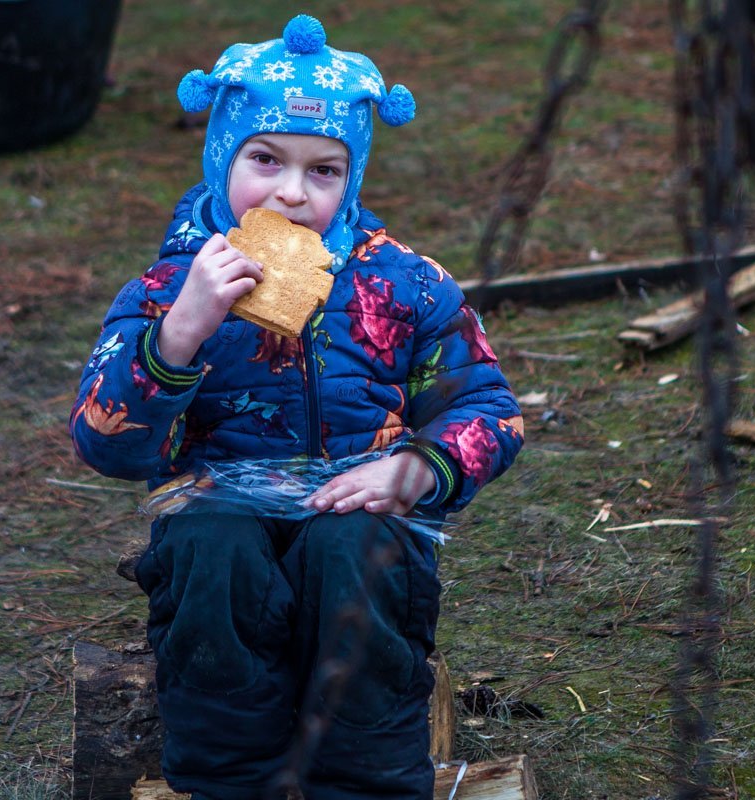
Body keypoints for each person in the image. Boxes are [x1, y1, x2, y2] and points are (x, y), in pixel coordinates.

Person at [70, 14, 524, 800]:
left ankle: (366, 783)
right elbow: (104, 442)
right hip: (221, 510)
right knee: (216, 553)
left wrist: (419, 465)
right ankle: (231, 781)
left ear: (354, 177)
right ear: (222, 156)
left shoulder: (405, 285)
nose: (290, 191)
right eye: (265, 159)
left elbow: (489, 407)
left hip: (358, 507)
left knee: (353, 553)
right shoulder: (166, 288)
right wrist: (181, 331)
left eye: (324, 171)